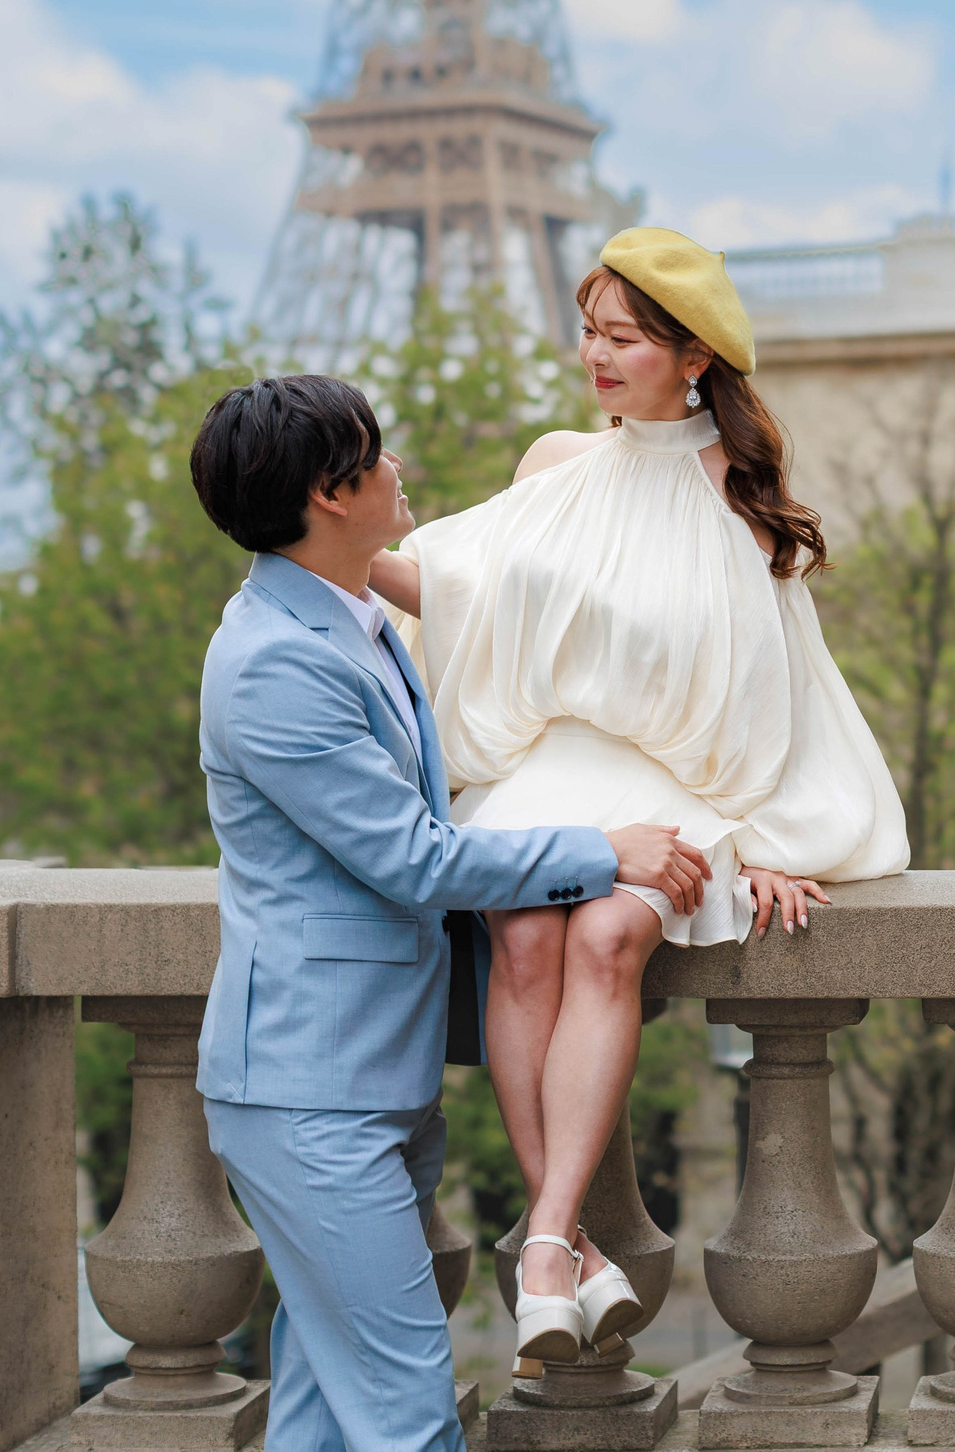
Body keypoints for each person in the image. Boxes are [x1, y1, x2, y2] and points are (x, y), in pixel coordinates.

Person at [367, 226, 906, 1364]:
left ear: (692, 355)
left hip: (671, 782)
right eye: (589, 330)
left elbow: (786, 686)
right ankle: (561, 1245)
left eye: (622, 337)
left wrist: (765, 836)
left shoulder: (740, 495)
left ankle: (549, 1239)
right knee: (521, 935)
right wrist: (325, 539)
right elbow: (464, 599)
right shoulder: (555, 463)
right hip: (548, 767)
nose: (594, 355)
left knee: (611, 934)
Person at [187, 374, 711, 1452]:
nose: (397, 468)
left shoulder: (349, 615)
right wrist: (605, 849)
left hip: (363, 1078)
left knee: (326, 1409)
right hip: (308, 1094)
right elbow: (413, 861)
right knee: (409, 1414)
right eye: (376, 456)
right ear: (331, 494)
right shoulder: (275, 662)